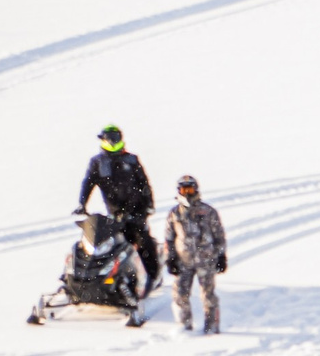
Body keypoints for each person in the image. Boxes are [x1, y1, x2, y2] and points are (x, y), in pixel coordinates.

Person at [76, 124, 160, 287]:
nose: (113, 141)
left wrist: (149, 204)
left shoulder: (131, 159)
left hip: (137, 210)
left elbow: (143, 183)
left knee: (143, 241)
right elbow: (88, 183)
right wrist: (82, 203)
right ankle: (106, 280)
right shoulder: (98, 162)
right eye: (110, 138)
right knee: (110, 246)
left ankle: (152, 276)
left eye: (116, 138)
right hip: (114, 212)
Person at [164, 175, 227, 334]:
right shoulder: (175, 213)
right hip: (183, 261)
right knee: (180, 294)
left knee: (208, 295)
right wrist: (170, 258)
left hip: (206, 260)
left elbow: (219, 235)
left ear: (196, 190)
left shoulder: (208, 211)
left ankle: (212, 327)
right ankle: (184, 326)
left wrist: (221, 256)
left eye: (190, 189)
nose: (187, 193)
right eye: (184, 190)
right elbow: (169, 238)